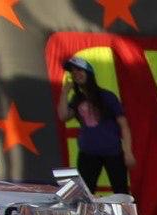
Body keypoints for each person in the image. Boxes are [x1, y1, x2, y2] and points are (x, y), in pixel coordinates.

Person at [56, 56, 134, 194]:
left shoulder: (107, 96)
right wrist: (64, 92)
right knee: (84, 193)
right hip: (88, 153)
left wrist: (128, 152)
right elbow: (63, 116)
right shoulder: (77, 99)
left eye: (80, 70)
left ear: (89, 73)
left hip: (113, 152)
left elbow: (124, 125)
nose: (76, 74)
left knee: (121, 192)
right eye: (73, 72)